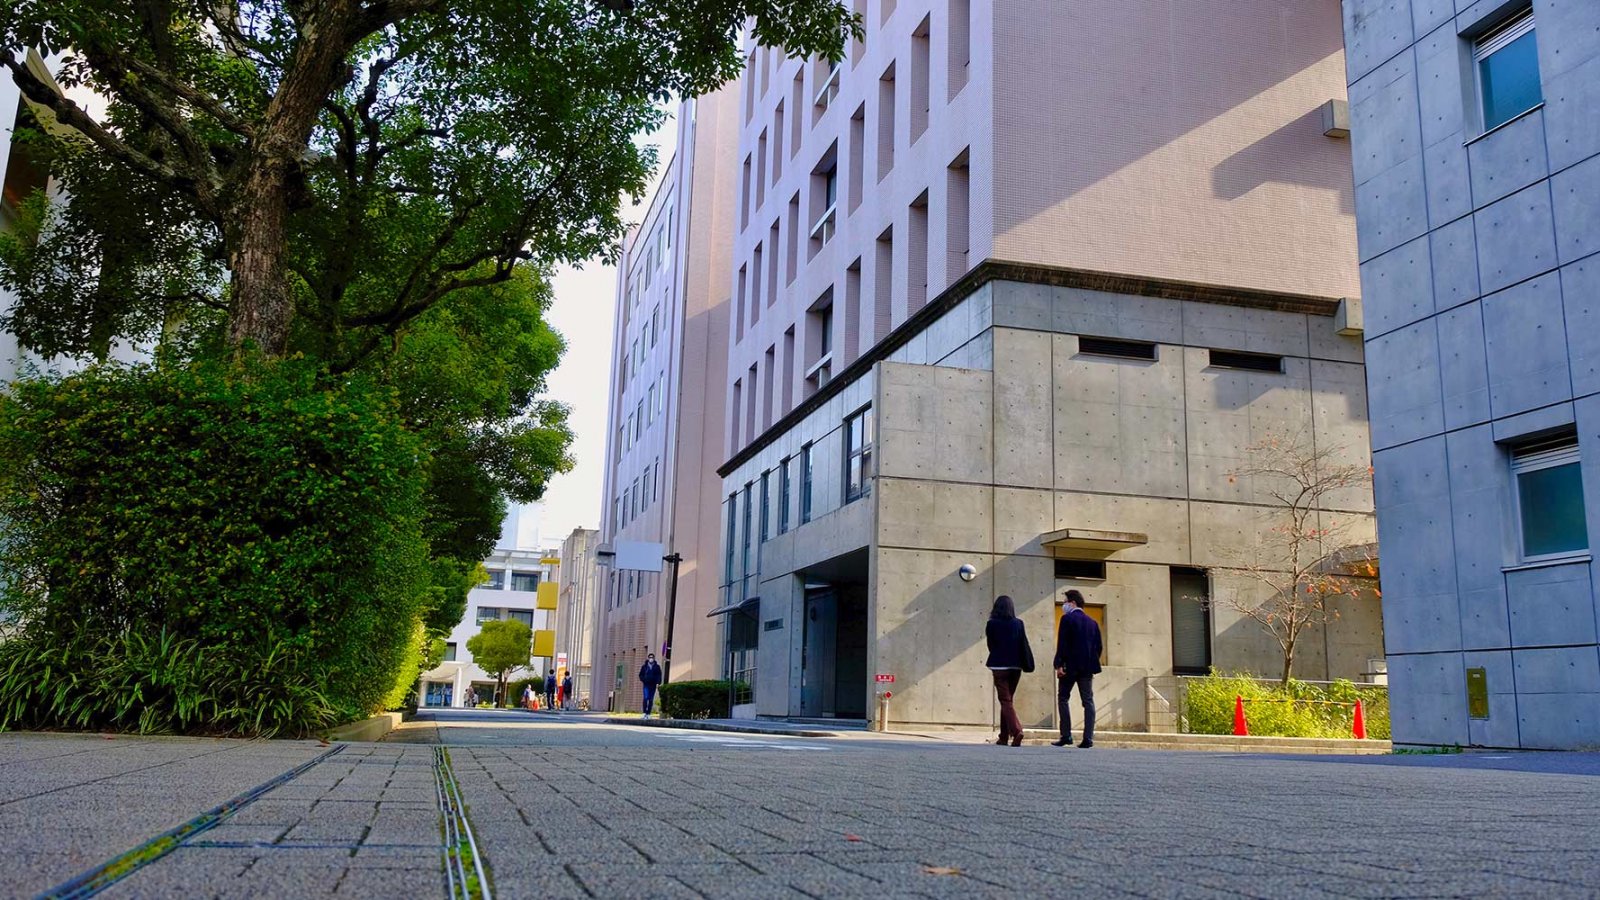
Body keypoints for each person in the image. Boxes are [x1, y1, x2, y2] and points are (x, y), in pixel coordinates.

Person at [1052, 589, 1103, 748]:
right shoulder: (1093, 623)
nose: (1064, 605)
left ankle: (1066, 735)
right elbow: (1098, 647)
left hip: (1069, 666)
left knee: (1063, 698)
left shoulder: (1067, 619)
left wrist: (1059, 664)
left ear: (1072, 603)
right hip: (1087, 668)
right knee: (1088, 701)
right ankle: (1088, 738)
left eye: (1065, 602)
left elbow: (1062, 644)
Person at [984, 594, 1034, 747]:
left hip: (999, 667)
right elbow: (1023, 643)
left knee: (1005, 701)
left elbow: (990, 644)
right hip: (1015, 667)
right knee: (1008, 701)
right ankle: (1004, 737)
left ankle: (1017, 731)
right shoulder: (1019, 623)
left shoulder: (991, 624)